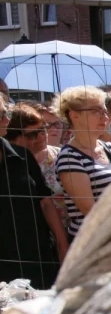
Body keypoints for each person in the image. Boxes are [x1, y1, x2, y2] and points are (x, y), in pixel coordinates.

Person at [3, 103, 69, 285]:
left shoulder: (26, 157)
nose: (42, 136)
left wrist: (61, 243)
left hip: (37, 249)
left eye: (43, 129)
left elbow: (46, 203)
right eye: (32, 134)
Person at [54, 86, 111, 241]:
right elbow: (89, 209)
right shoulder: (69, 157)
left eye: (105, 111)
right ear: (74, 116)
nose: (104, 117)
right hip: (91, 241)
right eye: (95, 111)